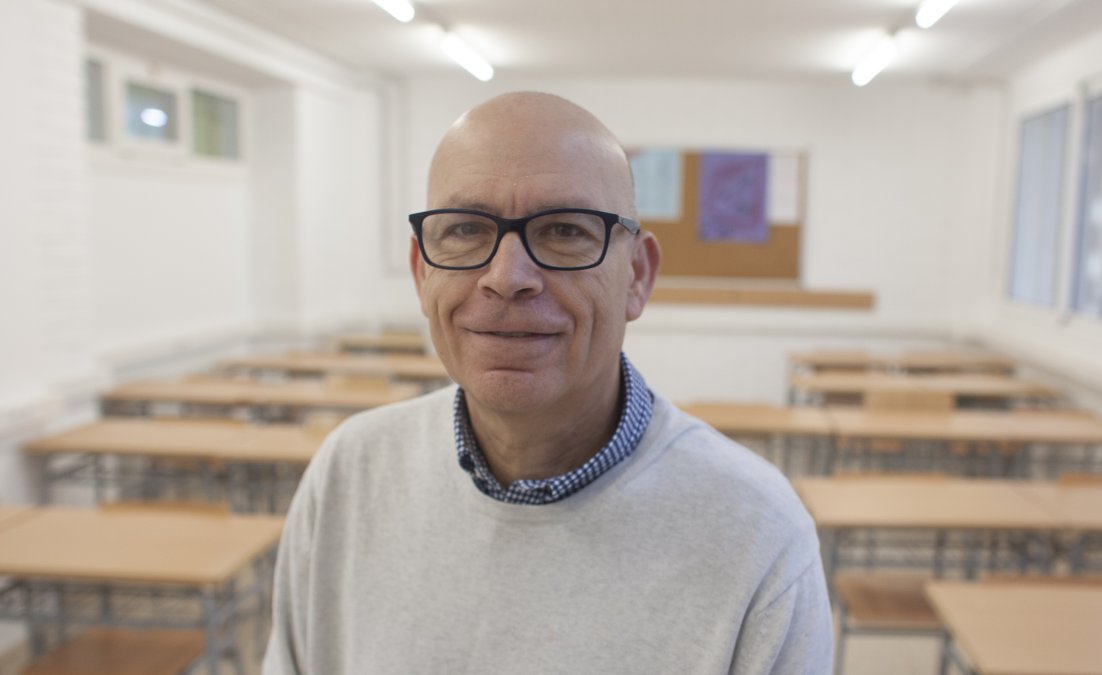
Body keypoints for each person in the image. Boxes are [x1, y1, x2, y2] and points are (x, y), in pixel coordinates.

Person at [263, 91, 832, 674]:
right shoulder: (349, 476)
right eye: (465, 230)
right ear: (421, 271)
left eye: (564, 230)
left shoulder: (756, 533)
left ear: (637, 275)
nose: (507, 277)